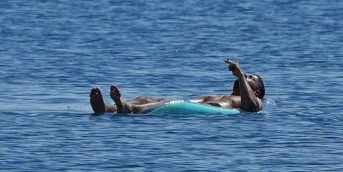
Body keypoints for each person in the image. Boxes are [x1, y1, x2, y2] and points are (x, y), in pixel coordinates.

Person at [89, 59, 265, 114]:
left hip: (199, 107)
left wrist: (240, 74)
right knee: (145, 98)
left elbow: (250, 108)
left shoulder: (255, 101)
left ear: (256, 90)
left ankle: (125, 107)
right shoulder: (226, 95)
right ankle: (107, 108)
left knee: (169, 102)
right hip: (189, 101)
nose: (245, 75)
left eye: (251, 77)